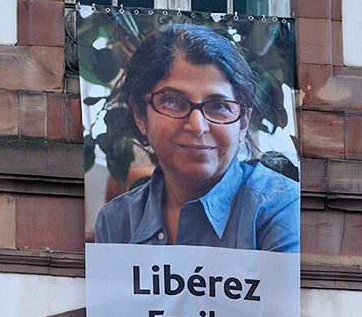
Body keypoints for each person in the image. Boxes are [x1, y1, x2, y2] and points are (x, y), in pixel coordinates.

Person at [93, 23, 299, 252]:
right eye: (172, 101)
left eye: (219, 105)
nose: (197, 126)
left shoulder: (284, 210)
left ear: (243, 123)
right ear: (140, 115)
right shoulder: (116, 222)